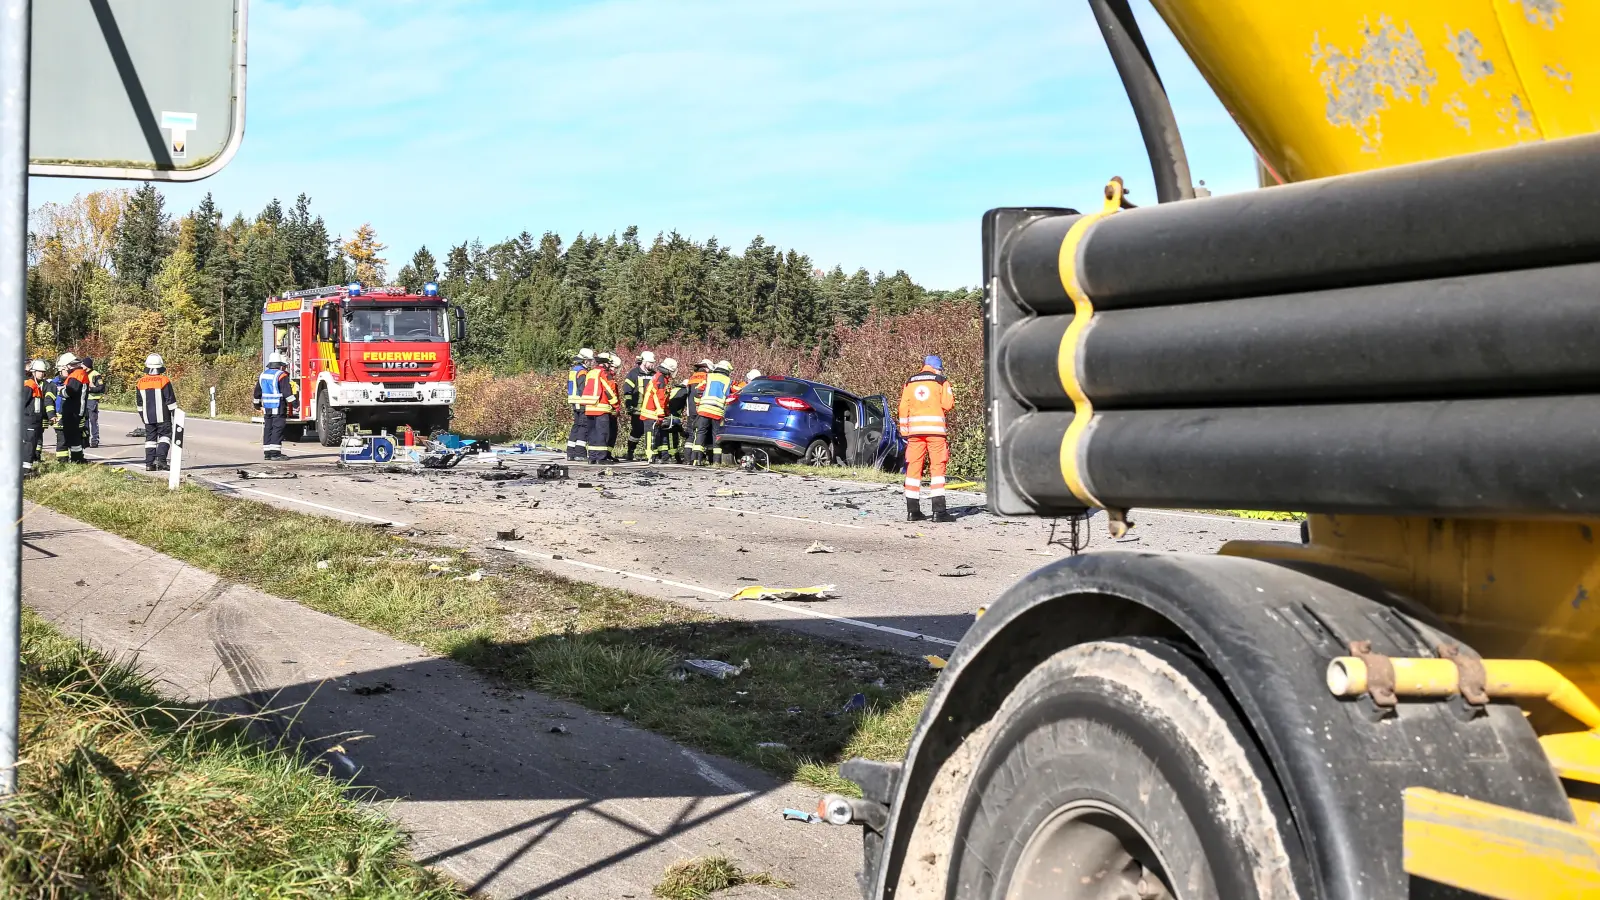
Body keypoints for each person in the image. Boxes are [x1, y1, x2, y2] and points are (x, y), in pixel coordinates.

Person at [898, 355, 957, 522]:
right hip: (935, 433)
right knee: (937, 470)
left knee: (913, 470)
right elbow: (948, 404)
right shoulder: (940, 380)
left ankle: (913, 511)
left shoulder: (910, 381)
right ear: (937, 368)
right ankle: (939, 512)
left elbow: (903, 407)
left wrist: (904, 430)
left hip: (915, 434)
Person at [135, 353, 179, 472]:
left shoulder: (141, 382)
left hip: (147, 417)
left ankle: (149, 464)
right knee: (165, 437)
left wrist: (142, 416)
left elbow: (139, 403)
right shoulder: (164, 380)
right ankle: (160, 460)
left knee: (150, 440)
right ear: (160, 366)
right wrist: (176, 414)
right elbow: (170, 400)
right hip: (163, 416)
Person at [253, 351, 299, 460]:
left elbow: (257, 392)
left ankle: (267, 453)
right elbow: (287, 393)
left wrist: (256, 404)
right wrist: (296, 404)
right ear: (279, 365)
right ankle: (275, 453)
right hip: (278, 406)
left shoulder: (263, 375)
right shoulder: (281, 375)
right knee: (277, 428)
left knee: (268, 428)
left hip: (267, 407)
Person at [689, 360, 733, 466]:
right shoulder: (728, 381)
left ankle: (696, 459)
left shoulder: (709, 377)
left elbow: (698, 390)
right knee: (716, 436)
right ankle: (716, 461)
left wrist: (698, 405)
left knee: (700, 433)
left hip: (704, 410)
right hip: (717, 412)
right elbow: (731, 395)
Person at [583, 352, 621, 464]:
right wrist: (616, 406)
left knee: (592, 433)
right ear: (605, 364)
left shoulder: (590, 373)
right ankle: (601, 458)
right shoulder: (604, 373)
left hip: (589, 408)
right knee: (602, 433)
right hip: (601, 408)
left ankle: (592, 457)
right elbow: (610, 390)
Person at [53, 353, 91, 464]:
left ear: (69, 365)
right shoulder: (78, 374)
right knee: (73, 436)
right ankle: (77, 459)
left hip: (74, 411)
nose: (64, 370)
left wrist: (60, 390)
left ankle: (76, 460)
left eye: (65, 367)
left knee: (73, 437)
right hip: (75, 410)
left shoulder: (76, 375)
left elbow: (70, 392)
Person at [620, 350, 657, 461]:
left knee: (650, 432)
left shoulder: (654, 375)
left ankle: (651, 454)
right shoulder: (633, 373)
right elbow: (627, 390)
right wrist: (629, 405)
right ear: (644, 362)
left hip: (650, 410)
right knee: (636, 431)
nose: (652, 365)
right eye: (650, 362)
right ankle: (630, 451)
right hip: (637, 410)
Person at [640, 357, 677, 463]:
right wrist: (661, 414)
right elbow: (659, 397)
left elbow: (664, 398)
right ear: (669, 370)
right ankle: (651, 456)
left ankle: (663, 456)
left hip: (656, 411)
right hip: (651, 412)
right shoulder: (660, 379)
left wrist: (665, 411)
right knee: (650, 435)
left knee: (660, 434)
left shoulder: (661, 378)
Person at [23, 359, 52, 477]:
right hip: (29, 421)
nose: (43, 374)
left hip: (35, 422)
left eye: (44, 372)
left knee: (32, 445)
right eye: (41, 372)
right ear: (34, 372)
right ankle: (25, 471)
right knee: (28, 446)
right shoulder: (29, 385)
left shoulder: (37, 386)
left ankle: (27, 469)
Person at [679, 360, 711, 463]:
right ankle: (696, 459)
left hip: (690, 410)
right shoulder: (706, 377)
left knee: (690, 434)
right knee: (700, 433)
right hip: (701, 410)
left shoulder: (691, 378)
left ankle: (687, 459)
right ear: (707, 368)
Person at [566, 348, 596, 460]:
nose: (591, 362)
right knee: (583, 426)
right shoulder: (582, 372)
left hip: (574, 402)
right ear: (585, 361)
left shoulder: (574, 369)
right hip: (581, 402)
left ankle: (571, 452)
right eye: (590, 360)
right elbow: (583, 388)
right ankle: (580, 453)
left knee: (576, 426)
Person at [83, 356, 106, 448]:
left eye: (83, 364)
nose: (81, 366)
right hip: (83, 400)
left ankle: (94, 440)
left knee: (92, 421)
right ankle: (85, 440)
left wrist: (90, 389)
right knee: (84, 421)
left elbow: (101, 388)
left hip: (92, 400)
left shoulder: (95, 374)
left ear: (87, 365)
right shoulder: (82, 373)